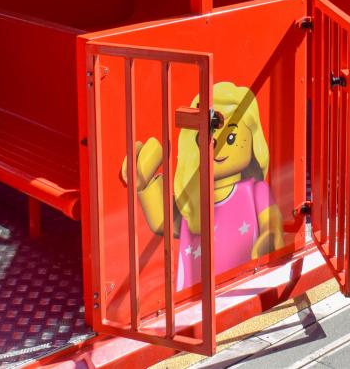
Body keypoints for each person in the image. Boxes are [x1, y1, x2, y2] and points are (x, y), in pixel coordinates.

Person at [122, 82, 284, 290]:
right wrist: (143, 185)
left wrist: (270, 239)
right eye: (206, 140)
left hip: (240, 288)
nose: (217, 147)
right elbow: (163, 222)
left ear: (253, 138)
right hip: (193, 293)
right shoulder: (193, 201)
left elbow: (271, 220)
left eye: (231, 137)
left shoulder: (255, 191)